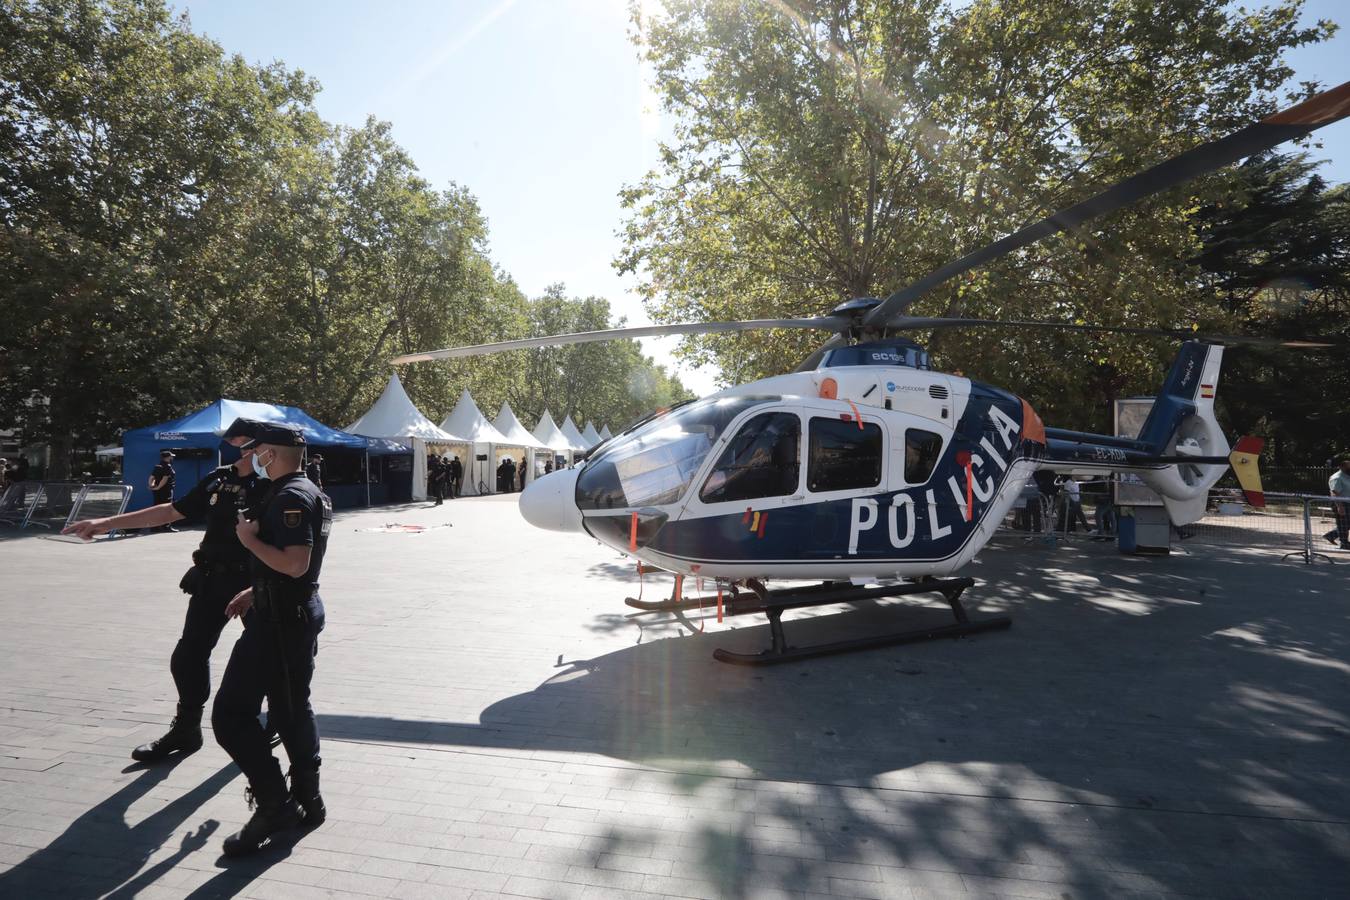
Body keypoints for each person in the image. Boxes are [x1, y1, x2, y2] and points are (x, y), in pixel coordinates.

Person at [63, 418, 275, 762]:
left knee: (268, 657)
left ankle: (278, 720)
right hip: (213, 579)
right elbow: (171, 511)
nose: (237, 449)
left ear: (263, 447)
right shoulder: (219, 478)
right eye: (234, 443)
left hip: (257, 584)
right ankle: (186, 729)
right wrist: (107, 522)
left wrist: (258, 587)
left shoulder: (281, 486)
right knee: (188, 656)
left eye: (244, 444)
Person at [213, 422, 330, 856]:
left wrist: (247, 539)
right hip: (286, 609)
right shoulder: (304, 489)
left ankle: (275, 805)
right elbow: (299, 567)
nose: (251, 457)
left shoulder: (290, 496)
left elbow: (296, 563)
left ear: (271, 453)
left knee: (230, 716)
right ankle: (307, 800)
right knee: (290, 709)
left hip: (280, 621)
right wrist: (255, 589)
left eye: (255, 450)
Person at [148, 450, 177, 532]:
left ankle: (154, 527)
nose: (172, 458)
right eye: (171, 456)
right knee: (167, 508)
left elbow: (151, 478)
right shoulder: (167, 466)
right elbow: (164, 479)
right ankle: (166, 526)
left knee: (156, 507)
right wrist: (158, 487)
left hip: (157, 491)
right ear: (167, 457)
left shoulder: (158, 466)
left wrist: (151, 485)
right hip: (166, 490)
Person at [1324, 457, 1350, 549]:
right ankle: (1344, 543)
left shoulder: (1347, 476)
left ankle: (1331, 535)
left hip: (1347, 502)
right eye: (1348, 466)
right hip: (1341, 503)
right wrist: (1339, 506)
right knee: (1343, 523)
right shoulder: (1337, 477)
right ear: (1342, 466)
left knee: (1346, 524)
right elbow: (1334, 493)